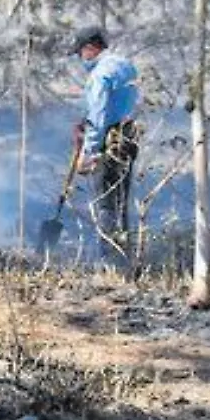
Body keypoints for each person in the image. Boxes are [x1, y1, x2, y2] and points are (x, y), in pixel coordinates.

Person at [71, 27, 140, 255]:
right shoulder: (126, 66)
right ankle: (125, 253)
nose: (81, 59)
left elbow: (99, 115)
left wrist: (88, 152)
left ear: (90, 48)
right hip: (129, 138)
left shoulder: (100, 74)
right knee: (121, 200)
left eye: (81, 53)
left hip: (109, 141)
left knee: (106, 203)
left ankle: (109, 259)